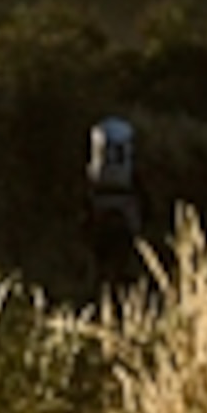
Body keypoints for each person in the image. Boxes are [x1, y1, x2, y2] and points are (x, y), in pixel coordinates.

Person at [83, 113, 148, 293]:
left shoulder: (96, 174)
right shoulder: (128, 172)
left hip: (101, 201)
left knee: (99, 254)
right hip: (124, 202)